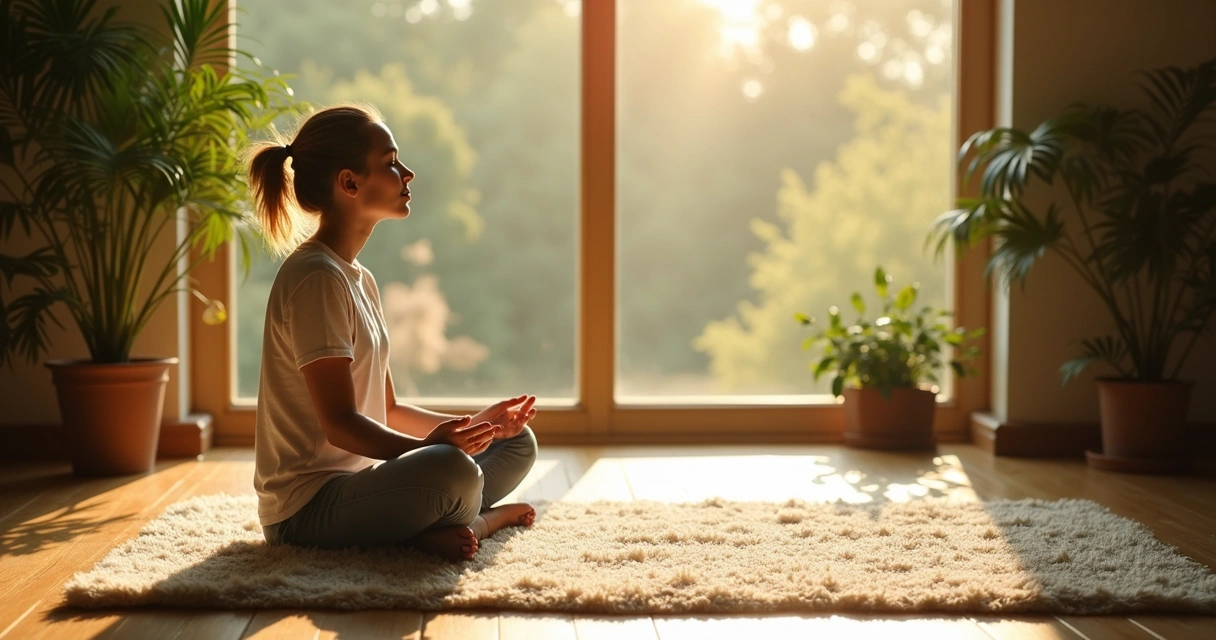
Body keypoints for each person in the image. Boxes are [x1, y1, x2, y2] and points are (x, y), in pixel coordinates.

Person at [245, 103, 538, 561]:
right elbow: (341, 425)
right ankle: (476, 520)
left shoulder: (359, 278)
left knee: (516, 443)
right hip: (306, 512)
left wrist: (478, 425)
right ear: (350, 183)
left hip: (364, 487)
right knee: (450, 469)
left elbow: (387, 408)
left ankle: (430, 521)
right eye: (391, 163)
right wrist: (432, 448)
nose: (409, 173)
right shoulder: (315, 278)